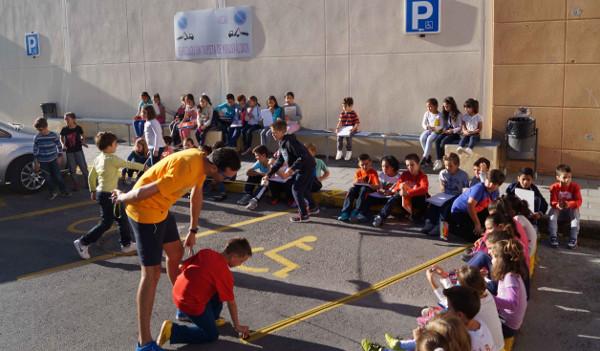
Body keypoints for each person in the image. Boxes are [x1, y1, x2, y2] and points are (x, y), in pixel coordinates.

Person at [113, 146, 241, 351]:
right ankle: (144, 342)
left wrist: (193, 229)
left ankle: (183, 308)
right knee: (151, 275)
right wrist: (122, 197)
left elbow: (196, 195)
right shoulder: (186, 169)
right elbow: (145, 192)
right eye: (227, 176)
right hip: (145, 212)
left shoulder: (202, 164)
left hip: (162, 211)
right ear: (216, 166)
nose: (227, 181)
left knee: (176, 254)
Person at [156, 238, 252, 346]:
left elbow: (183, 267)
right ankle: (172, 331)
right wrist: (237, 325)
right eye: (241, 261)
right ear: (234, 256)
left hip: (178, 292)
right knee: (211, 335)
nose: (241, 264)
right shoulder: (224, 274)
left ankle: (201, 317)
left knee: (217, 290)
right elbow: (231, 303)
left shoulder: (207, 252)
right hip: (190, 303)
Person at [73, 132, 145, 259]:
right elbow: (129, 164)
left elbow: (91, 176)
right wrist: (145, 167)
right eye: (115, 143)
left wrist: (93, 191)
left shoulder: (98, 158)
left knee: (122, 219)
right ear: (110, 146)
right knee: (106, 223)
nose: (117, 145)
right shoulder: (112, 159)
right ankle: (83, 242)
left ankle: (126, 244)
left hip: (105, 194)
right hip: (109, 195)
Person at [264, 120, 318, 222]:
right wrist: (269, 174)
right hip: (304, 167)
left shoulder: (290, 142)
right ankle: (313, 207)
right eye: (272, 132)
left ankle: (304, 215)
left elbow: (303, 156)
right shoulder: (282, 142)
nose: (272, 134)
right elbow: (280, 160)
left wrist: (292, 168)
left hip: (306, 167)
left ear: (281, 131)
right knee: (304, 189)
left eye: (274, 132)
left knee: (296, 189)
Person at [448, 169, 505, 242]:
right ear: (486, 179)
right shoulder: (479, 188)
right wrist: (477, 224)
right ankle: (450, 227)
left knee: (488, 228)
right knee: (474, 237)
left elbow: (492, 207)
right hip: (461, 212)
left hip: (478, 209)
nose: (490, 184)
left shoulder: (495, 192)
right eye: (489, 181)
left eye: (493, 183)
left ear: (498, 185)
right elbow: (470, 206)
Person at [373, 154, 429, 227]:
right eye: (407, 165)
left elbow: (424, 189)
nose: (409, 167)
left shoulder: (422, 176)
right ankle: (381, 216)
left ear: (418, 164)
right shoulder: (405, 174)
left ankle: (416, 216)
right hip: (406, 200)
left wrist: (408, 192)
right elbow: (398, 184)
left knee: (422, 197)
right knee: (395, 196)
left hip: (417, 200)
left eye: (412, 165)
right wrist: (392, 191)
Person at [422, 152, 469, 236]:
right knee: (433, 204)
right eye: (446, 165)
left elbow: (465, 190)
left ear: (457, 165)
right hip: (446, 195)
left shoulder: (463, 175)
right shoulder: (443, 173)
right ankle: (430, 224)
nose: (447, 168)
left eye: (450, 166)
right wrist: (441, 192)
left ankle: (441, 229)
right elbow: (442, 187)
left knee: (445, 208)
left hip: (457, 196)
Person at [491, 239, 528, 337]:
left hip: (507, 327)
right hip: (507, 322)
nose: (491, 260)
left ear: (501, 260)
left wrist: (490, 299)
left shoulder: (510, 277)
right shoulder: (509, 274)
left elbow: (512, 303)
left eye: (493, 257)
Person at [443, 286, 496, 351]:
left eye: (448, 308)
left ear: (459, 315)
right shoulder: (479, 322)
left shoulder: (462, 338)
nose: (447, 311)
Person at [32, 117, 69, 200]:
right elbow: (35, 150)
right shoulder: (37, 137)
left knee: (58, 176)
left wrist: (60, 156)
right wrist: (36, 161)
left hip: (53, 160)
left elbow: (59, 146)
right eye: (39, 130)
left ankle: (64, 191)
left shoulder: (53, 135)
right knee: (48, 178)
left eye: (42, 129)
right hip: (43, 162)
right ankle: (53, 192)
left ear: (46, 126)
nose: (40, 132)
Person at [548, 164, 582, 249]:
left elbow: (579, 201)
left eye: (570, 177)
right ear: (558, 177)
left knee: (575, 211)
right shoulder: (554, 187)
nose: (567, 180)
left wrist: (569, 204)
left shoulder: (575, 187)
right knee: (552, 212)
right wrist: (557, 205)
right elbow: (552, 202)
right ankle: (553, 236)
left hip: (570, 212)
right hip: (559, 212)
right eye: (565, 177)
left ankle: (573, 238)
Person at [358, 155, 400, 223]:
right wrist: (382, 190)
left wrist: (390, 192)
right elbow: (378, 187)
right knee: (368, 198)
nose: (384, 168)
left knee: (390, 202)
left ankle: (380, 216)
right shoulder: (381, 175)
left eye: (387, 166)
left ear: (393, 167)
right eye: (383, 166)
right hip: (380, 196)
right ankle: (362, 213)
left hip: (389, 198)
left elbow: (397, 190)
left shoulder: (398, 177)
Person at [337, 154, 380, 222]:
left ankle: (356, 211)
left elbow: (377, 186)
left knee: (363, 188)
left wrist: (368, 184)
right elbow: (354, 183)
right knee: (351, 190)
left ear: (370, 163)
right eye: (362, 164)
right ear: (359, 164)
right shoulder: (358, 172)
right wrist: (356, 181)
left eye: (366, 164)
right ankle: (345, 212)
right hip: (359, 191)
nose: (364, 166)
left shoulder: (373, 173)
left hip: (367, 192)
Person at [60, 112, 89, 191]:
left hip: (78, 151)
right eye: (65, 119)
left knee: (84, 168)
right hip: (69, 152)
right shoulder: (64, 129)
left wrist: (83, 141)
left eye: (67, 119)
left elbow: (83, 135)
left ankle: (88, 184)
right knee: (72, 169)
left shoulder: (78, 128)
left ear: (73, 119)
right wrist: (63, 144)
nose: (66, 120)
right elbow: (61, 137)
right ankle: (76, 185)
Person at [433, 97, 463, 171]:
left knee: (443, 142)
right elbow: (445, 125)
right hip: (447, 131)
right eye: (444, 106)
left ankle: (444, 160)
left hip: (455, 134)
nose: (445, 108)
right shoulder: (446, 113)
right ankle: (439, 160)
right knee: (437, 140)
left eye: (447, 106)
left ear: (452, 105)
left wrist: (452, 131)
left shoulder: (458, 114)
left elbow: (460, 127)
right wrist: (443, 129)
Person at [419, 98, 442, 167]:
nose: (429, 108)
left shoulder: (439, 115)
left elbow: (442, 126)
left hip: (436, 131)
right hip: (428, 130)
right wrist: (426, 127)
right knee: (422, 138)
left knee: (429, 139)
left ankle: (424, 157)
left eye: (430, 106)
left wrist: (434, 128)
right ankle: (428, 156)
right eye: (427, 107)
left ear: (436, 106)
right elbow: (423, 123)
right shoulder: (427, 113)